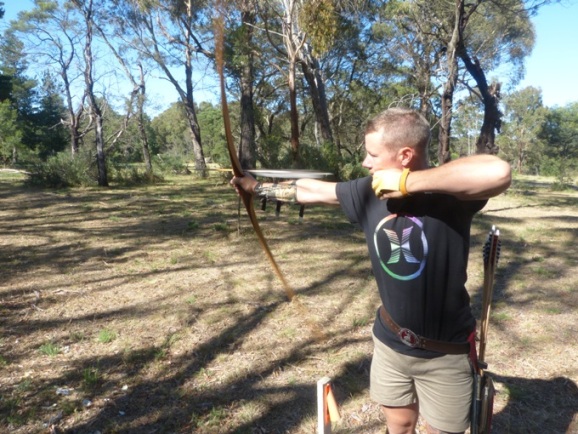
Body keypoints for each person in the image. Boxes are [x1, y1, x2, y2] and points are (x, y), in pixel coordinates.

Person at [231, 107, 511, 434]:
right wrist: (255, 188)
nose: (366, 162)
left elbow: (498, 172)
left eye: (373, 154)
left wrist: (409, 182)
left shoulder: (450, 194)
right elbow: (313, 191)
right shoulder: (368, 191)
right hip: (391, 342)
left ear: (405, 155)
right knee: (399, 425)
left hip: (445, 353)